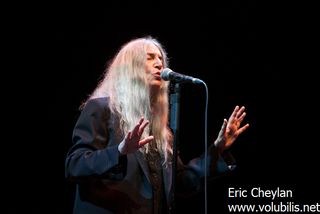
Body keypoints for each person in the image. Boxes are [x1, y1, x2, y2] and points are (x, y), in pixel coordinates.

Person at [65, 36, 249, 214]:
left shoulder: (159, 127)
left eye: (161, 58)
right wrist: (119, 151)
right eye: (150, 58)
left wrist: (217, 149)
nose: (160, 64)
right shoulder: (101, 108)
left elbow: (181, 183)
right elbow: (75, 165)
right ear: (130, 68)